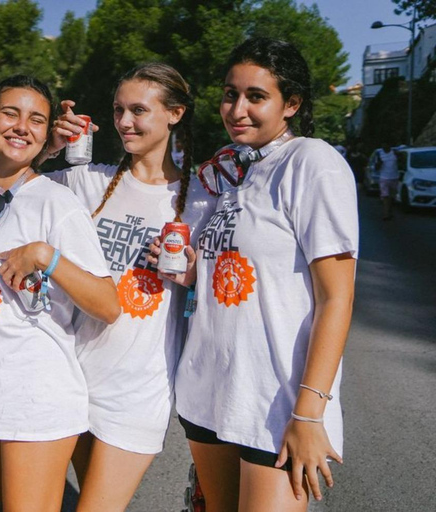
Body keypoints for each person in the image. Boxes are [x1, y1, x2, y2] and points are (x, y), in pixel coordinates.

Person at [159, 38, 358, 511]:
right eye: (230, 94)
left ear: (291, 104)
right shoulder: (233, 174)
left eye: (256, 96)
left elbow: (337, 298)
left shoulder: (312, 163)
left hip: (276, 405)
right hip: (208, 394)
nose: (237, 109)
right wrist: (193, 270)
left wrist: (310, 414)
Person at [39, 63, 215, 510]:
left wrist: (194, 278)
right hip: (71, 376)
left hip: (140, 388)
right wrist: (48, 147)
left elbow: (219, 295)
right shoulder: (88, 181)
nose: (123, 122)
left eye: (138, 110)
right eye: (119, 110)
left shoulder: (201, 199)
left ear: (175, 113)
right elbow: (6, 192)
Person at [0, 75, 120, 512]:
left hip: (35, 395)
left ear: (47, 134)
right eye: (10, 113)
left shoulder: (55, 202)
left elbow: (108, 304)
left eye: (36, 119)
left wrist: (48, 257)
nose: (21, 126)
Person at [374, 141, 399, 220]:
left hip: (394, 177)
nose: (384, 146)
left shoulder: (395, 153)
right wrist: (379, 163)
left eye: (386, 144)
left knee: (392, 197)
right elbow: (376, 168)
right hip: (384, 178)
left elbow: (401, 162)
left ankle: (390, 211)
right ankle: (386, 214)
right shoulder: (379, 154)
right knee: (385, 196)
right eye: (383, 144)